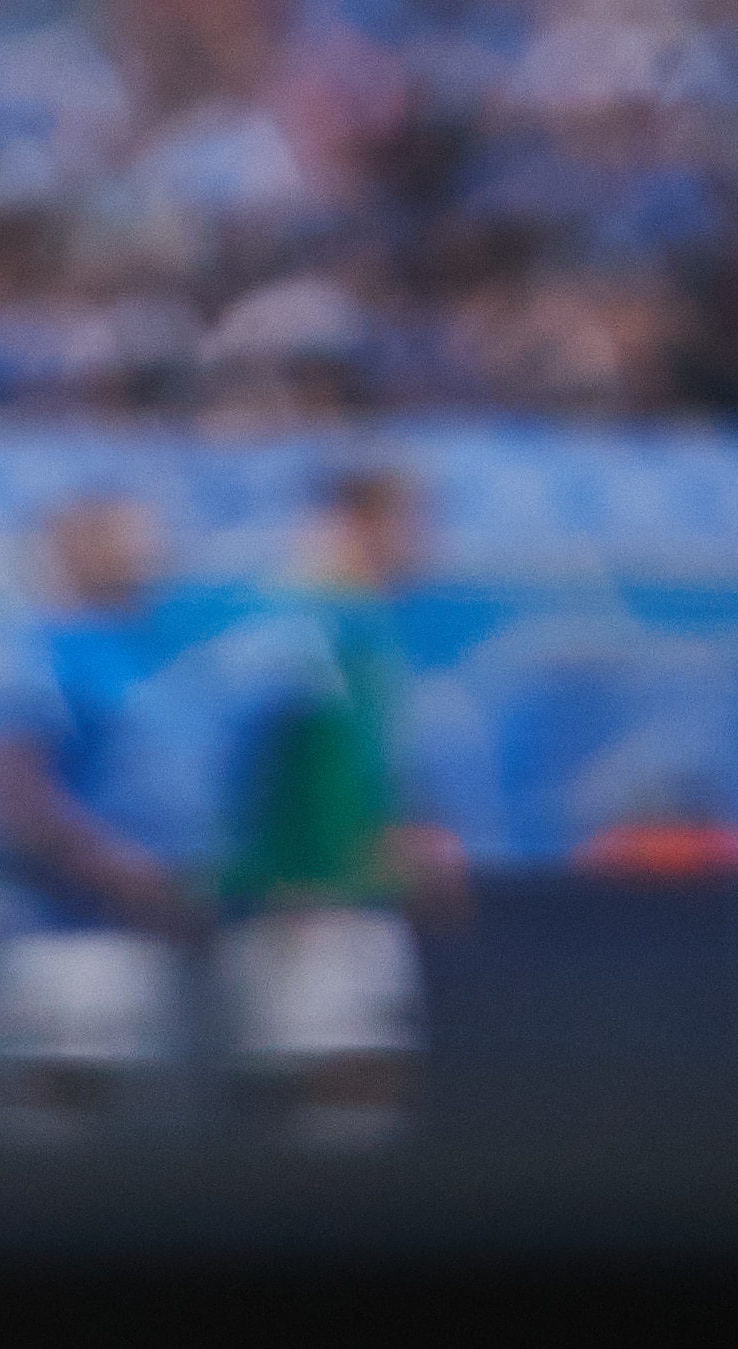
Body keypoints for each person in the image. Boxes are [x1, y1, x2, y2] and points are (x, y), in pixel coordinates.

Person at [212, 462, 466, 1153]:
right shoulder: (306, 622)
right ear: (361, 524)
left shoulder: (361, 625)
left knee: (363, 1081)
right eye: (412, 524)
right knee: (333, 1079)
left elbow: (362, 762)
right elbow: (261, 756)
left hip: (352, 890)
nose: (425, 544)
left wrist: (409, 831)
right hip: (311, 895)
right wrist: (295, 873)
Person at [0, 490, 205, 1143]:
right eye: (130, 541)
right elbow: (1, 778)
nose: (151, 558)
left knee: (131, 1126)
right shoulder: (37, 648)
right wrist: (102, 859)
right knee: (59, 1113)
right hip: (61, 928)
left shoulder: (138, 650)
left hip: (140, 924)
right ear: (79, 548)